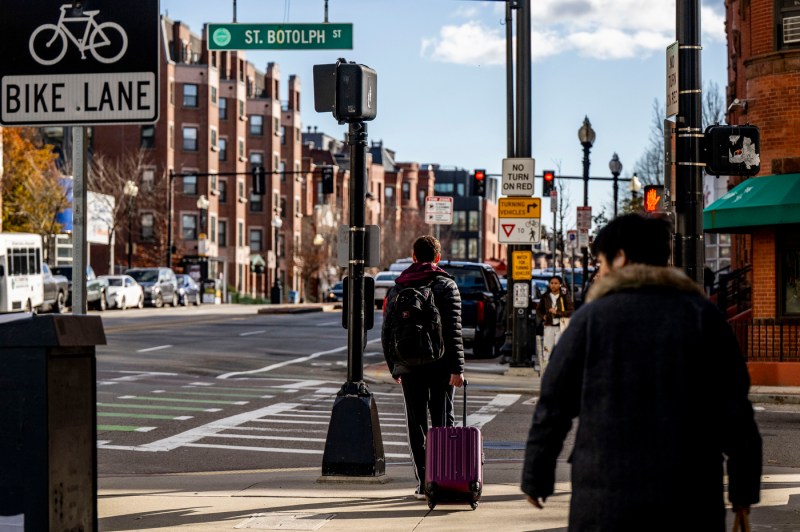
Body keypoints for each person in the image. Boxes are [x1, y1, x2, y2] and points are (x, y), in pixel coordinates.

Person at [521, 213, 762, 531]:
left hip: (605, 491)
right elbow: (735, 412)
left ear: (620, 258)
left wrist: (537, 476)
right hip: (691, 494)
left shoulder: (591, 319)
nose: (600, 272)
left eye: (602, 262)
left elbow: (554, 405)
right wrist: (743, 491)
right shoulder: (703, 317)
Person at [381, 235, 465, 500]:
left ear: (413, 256)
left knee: (415, 424)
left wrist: (395, 366)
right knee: (442, 421)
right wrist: (457, 368)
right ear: (437, 257)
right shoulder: (447, 285)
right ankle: (442, 479)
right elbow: (453, 331)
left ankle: (422, 483)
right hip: (440, 366)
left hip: (409, 367)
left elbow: (387, 332)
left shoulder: (398, 287)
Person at [534, 275, 573, 371]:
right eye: (551, 283)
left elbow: (571, 311)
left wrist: (558, 312)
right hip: (549, 325)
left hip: (561, 325)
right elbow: (538, 310)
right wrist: (543, 317)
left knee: (560, 347)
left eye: (556, 283)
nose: (553, 285)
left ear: (560, 285)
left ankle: (560, 369)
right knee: (547, 348)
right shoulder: (545, 296)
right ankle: (547, 369)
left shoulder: (565, 297)